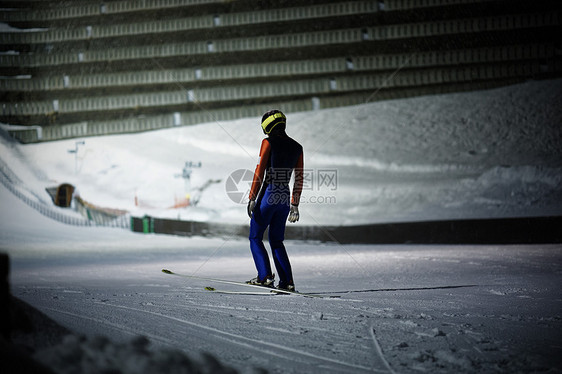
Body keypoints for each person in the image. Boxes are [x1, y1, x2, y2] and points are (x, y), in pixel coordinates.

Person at [246, 110, 304, 292]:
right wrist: (295, 204)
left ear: (267, 126)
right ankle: (287, 282)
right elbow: (299, 177)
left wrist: (252, 197)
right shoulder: (297, 147)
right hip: (285, 197)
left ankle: (264, 277)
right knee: (277, 241)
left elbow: (259, 171)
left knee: (255, 236)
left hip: (269, 194)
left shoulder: (267, 142)